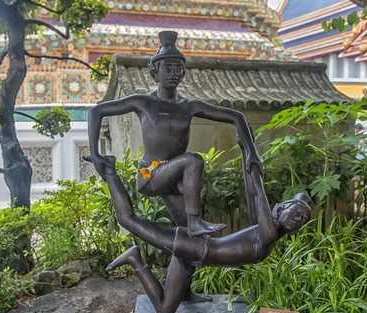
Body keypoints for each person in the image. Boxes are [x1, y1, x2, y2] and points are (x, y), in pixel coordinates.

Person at [87, 31, 262, 238]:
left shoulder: (189, 106)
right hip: (149, 175)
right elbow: (95, 111)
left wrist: (252, 152)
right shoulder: (143, 103)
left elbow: (236, 116)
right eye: (168, 68)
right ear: (155, 73)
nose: (173, 72)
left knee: (191, 240)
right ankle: (195, 221)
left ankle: (190, 241)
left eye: (178, 68)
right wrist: (95, 154)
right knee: (193, 160)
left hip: (174, 179)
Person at [94, 154, 311, 313]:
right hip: (191, 247)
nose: (299, 218)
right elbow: (257, 195)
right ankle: (110, 171)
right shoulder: (267, 231)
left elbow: (255, 196)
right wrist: (252, 162)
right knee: (127, 220)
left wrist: (250, 159)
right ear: (282, 207)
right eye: (298, 211)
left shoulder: (266, 233)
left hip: (193, 257)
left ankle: (142, 262)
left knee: (164, 310)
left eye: (303, 219)